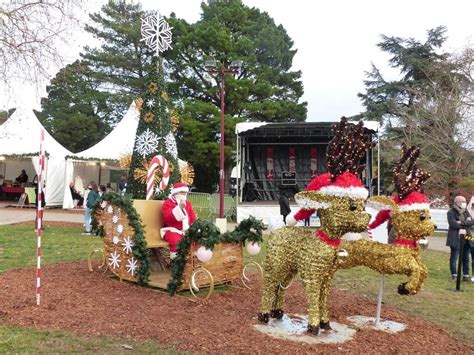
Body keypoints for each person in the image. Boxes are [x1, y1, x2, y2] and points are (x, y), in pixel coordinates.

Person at [161, 183, 197, 259]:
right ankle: (176, 262)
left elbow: (192, 218)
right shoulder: (168, 203)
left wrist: (196, 226)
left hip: (186, 230)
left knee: (195, 238)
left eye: (185, 194)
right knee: (176, 241)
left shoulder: (188, 204)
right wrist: (179, 208)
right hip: (172, 230)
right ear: (175, 193)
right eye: (182, 193)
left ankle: (191, 260)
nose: (184, 196)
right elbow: (168, 219)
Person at [446, 195, 474, 282]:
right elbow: (453, 224)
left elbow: (472, 221)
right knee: (454, 257)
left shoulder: (466, 212)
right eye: (463, 202)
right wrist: (466, 222)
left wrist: (461, 222)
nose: (465, 203)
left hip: (467, 238)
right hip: (455, 238)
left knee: (466, 257)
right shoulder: (451, 212)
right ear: (457, 202)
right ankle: (454, 275)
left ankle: (466, 275)